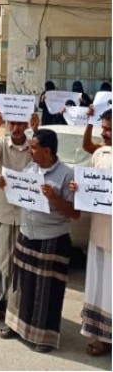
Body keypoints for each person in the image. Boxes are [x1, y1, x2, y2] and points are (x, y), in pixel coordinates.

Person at [1, 127, 79, 352]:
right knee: (21, 285)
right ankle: (15, 326)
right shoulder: (30, 168)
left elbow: (74, 214)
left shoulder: (66, 175)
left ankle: (43, 337)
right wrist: (8, 187)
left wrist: (54, 198)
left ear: (47, 150)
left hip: (52, 238)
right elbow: (21, 196)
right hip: (27, 234)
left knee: (47, 290)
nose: (30, 150)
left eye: (33, 147)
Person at [0, 107, 34, 326]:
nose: (15, 128)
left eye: (20, 123)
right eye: (11, 123)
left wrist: (37, 128)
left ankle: (16, 311)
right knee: (1, 262)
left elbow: (40, 166)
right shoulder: (2, 144)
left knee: (21, 264)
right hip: (3, 211)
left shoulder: (33, 145)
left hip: (25, 215)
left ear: (27, 125)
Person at [76, 106, 111, 356]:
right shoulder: (102, 154)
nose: (105, 133)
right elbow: (89, 182)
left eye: (109, 129)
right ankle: (101, 336)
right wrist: (78, 186)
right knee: (100, 285)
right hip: (99, 230)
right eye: (104, 128)